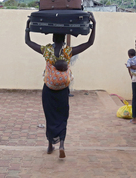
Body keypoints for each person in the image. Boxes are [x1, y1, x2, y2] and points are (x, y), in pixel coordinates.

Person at [25, 14, 96, 158]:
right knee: (62, 116)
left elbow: (28, 42)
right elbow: (89, 43)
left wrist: (27, 26)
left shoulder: (47, 51)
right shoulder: (68, 51)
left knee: (49, 116)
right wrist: (94, 25)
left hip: (49, 89)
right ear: (64, 38)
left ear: (52, 38)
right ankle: (62, 143)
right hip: (63, 90)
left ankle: (50, 145)